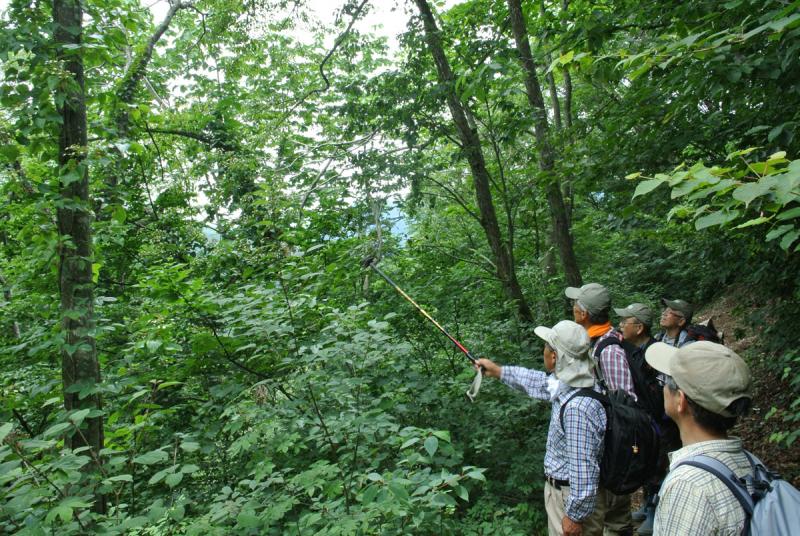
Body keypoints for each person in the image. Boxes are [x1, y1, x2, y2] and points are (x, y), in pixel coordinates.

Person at [475, 320, 606, 536]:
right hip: (566, 495)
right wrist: (498, 371)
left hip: (569, 499)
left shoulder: (577, 408)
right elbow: (539, 383)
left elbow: (584, 470)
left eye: (546, 346)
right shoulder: (577, 384)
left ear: (554, 357)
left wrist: (575, 517)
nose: (543, 350)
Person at [644, 341, 753, 535]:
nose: (662, 388)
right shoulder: (751, 463)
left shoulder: (688, 486)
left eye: (664, 381)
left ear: (680, 400)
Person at [566, 283, 635, 536]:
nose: (572, 308)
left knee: (613, 521)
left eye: (576, 304)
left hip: (611, 451)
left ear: (583, 314)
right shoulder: (593, 342)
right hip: (601, 449)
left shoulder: (608, 349)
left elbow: (626, 404)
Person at [613, 303, 673, 536]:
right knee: (649, 464)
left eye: (624, 321)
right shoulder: (629, 349)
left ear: (638, 327)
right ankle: (649, 505)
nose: (620, 325)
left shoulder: (656, 351)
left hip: (662, 421)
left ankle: (658, 511)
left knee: (660, 465)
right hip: (646, 419)